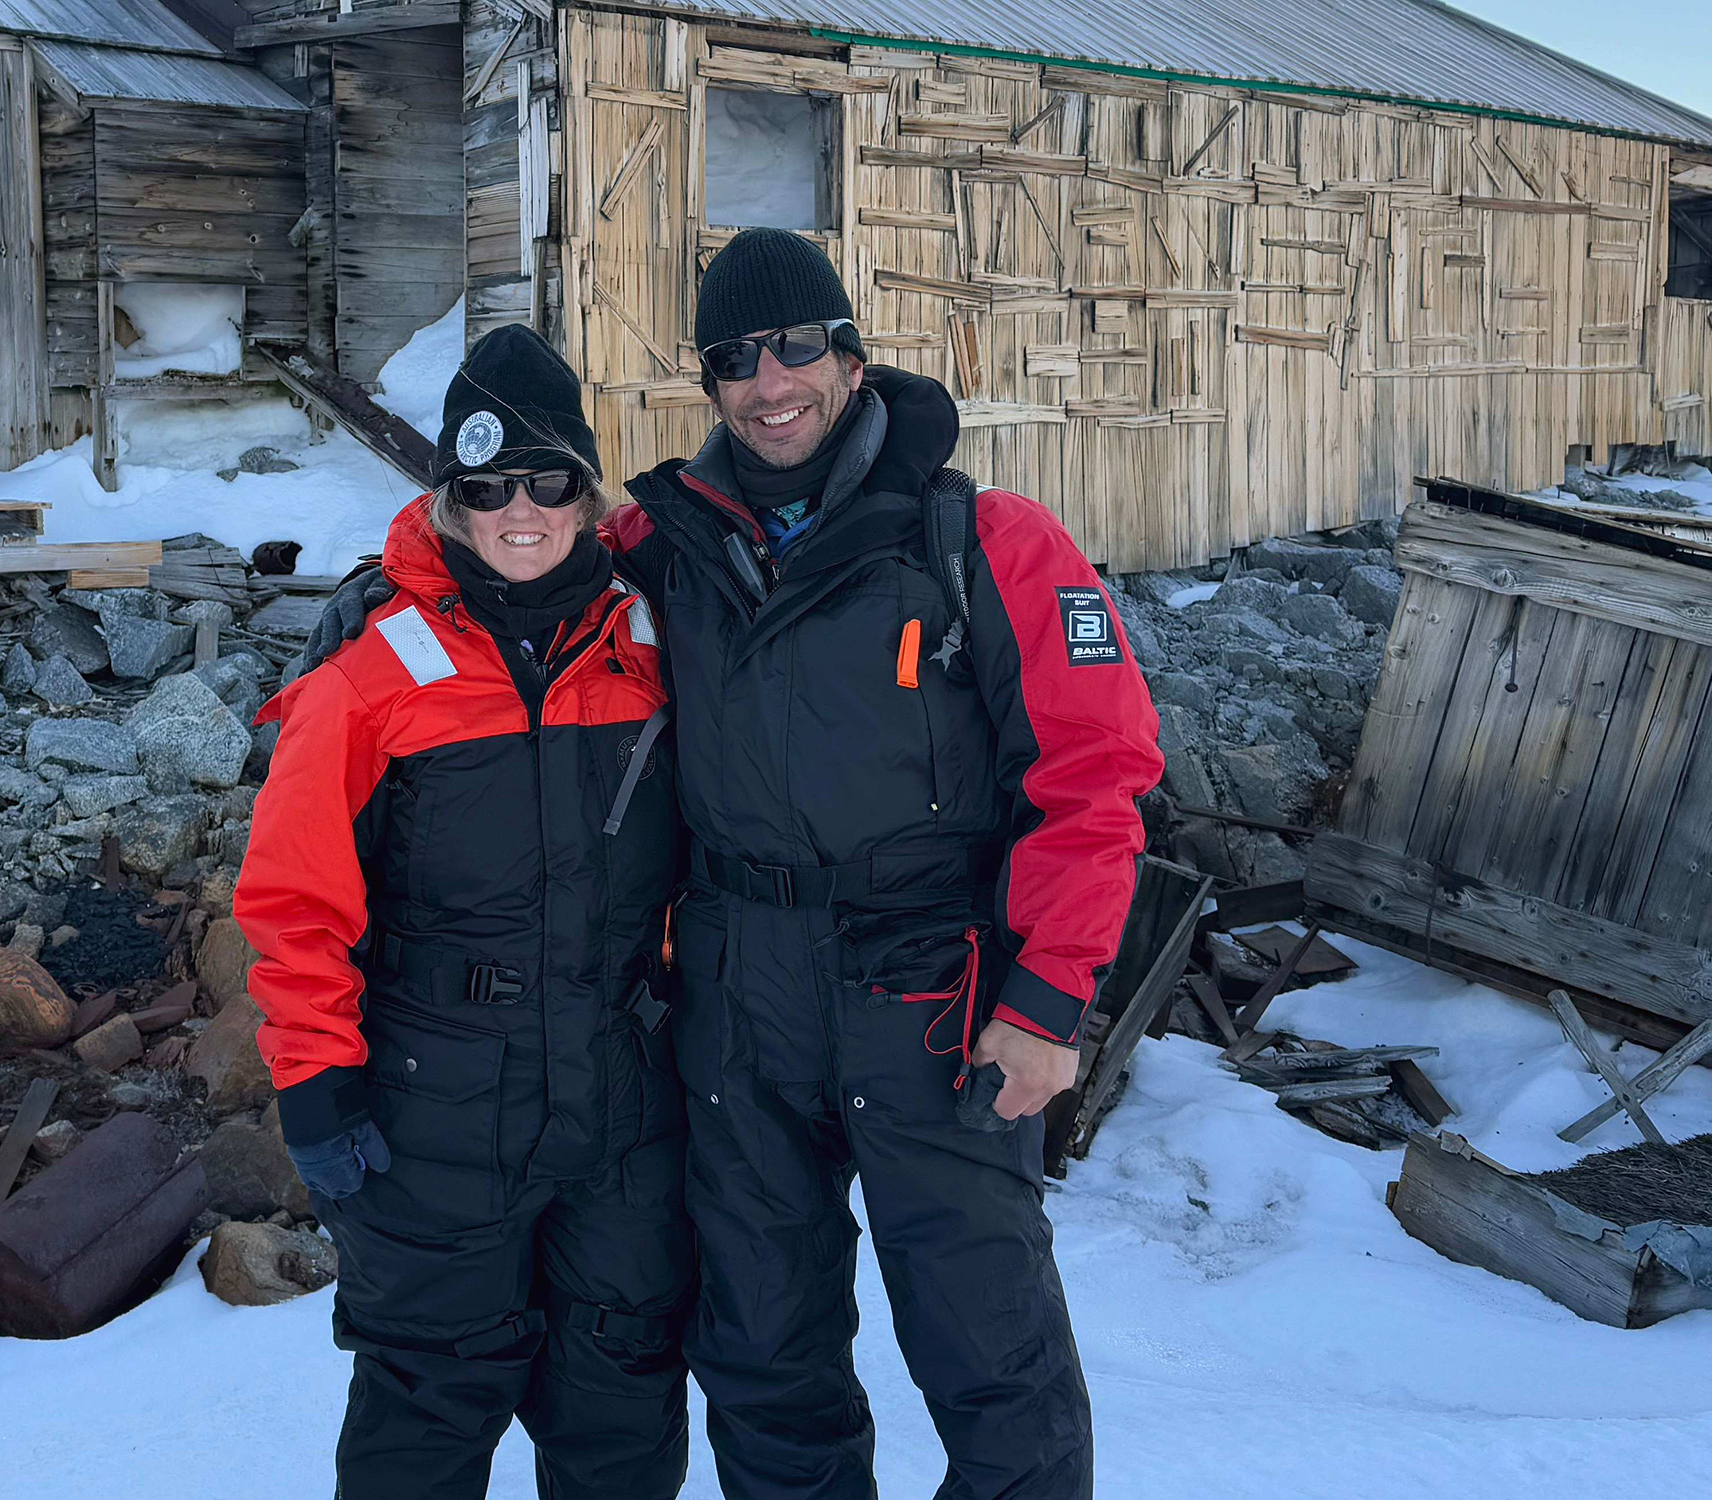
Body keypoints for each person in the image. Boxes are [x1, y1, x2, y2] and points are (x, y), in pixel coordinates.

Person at [295, 231, 1161, 1500]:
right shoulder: (669, 547)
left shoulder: (983, 540)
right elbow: (519, 553)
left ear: (851, 358)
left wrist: (1051, 999)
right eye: (735, 358)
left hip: (937, 992)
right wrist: (384, 600)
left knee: (990, 1343)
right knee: (764, 1348)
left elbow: (1095, 778)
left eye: (797, 346)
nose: (770, 381)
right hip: (737, 996)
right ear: (709, 384)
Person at [236, 325, 693, 1500]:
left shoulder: (655, 643)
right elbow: (294, 903)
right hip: (434, 1108)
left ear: (587, 494)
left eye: (547, 479)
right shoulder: (369, 668)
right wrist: (317, 1085)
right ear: (449, 503)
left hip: (623, 1105)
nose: (519, 510)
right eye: (484, 488)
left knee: (621, 1410)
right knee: (425, 1414)